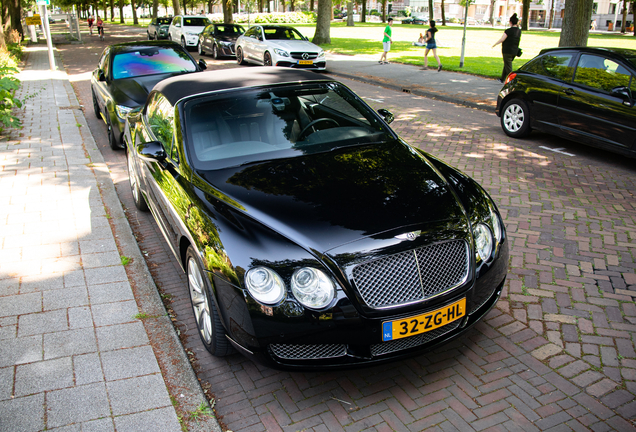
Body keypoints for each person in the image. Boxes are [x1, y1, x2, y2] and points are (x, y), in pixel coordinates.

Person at [492, 13, 521, 83]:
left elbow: (502, 39)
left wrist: (495, 44)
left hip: (507, 50)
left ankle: (512, 81)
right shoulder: (519, 31)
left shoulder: (508, 31)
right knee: (507, 64)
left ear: (510, 22)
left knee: (508, 67)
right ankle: (502, 78)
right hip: (515, 51)